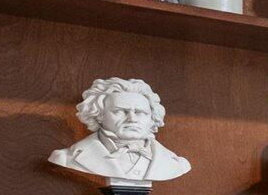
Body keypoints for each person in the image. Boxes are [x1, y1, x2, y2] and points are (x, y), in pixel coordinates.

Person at [48, 77, 191, 183]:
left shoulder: (176, 163)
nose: (132, 118)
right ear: (99, 115)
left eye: (140, 112)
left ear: (152, 118)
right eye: (120, 111)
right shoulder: (66, 157)